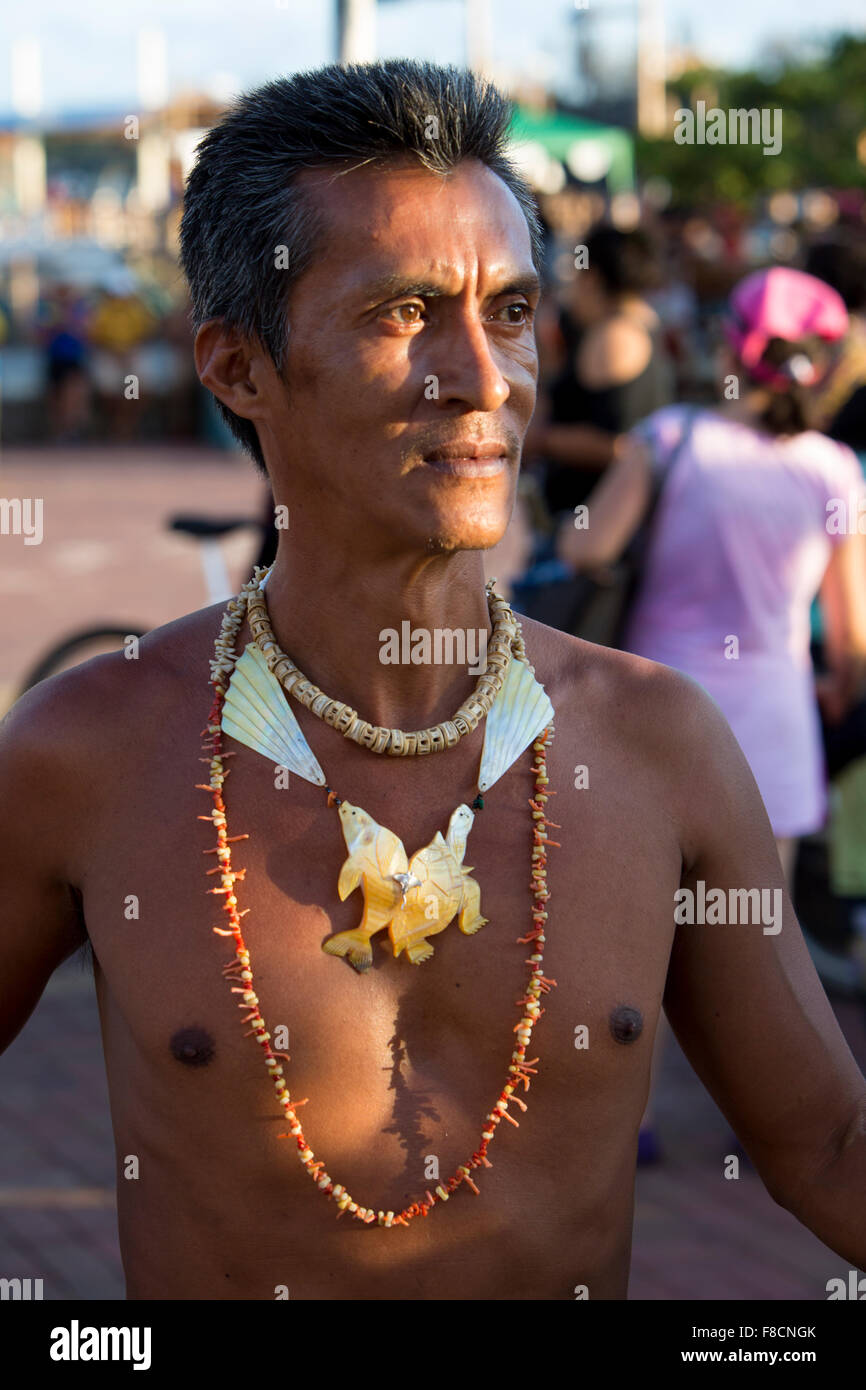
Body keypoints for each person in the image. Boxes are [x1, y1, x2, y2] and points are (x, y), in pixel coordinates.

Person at [2, 64, 865, 1302]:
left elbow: (826, 1145)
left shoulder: (659, 744)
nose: (485, 376)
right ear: (239, 369)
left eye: (508, 310)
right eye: (405, 311)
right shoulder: (87, 753)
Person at [526, 224, 674, 519]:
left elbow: (618, 445)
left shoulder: (612, 336)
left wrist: (542, 440)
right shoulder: (644, 320)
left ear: (592, 278)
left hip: (587, 513)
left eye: (578, 273)